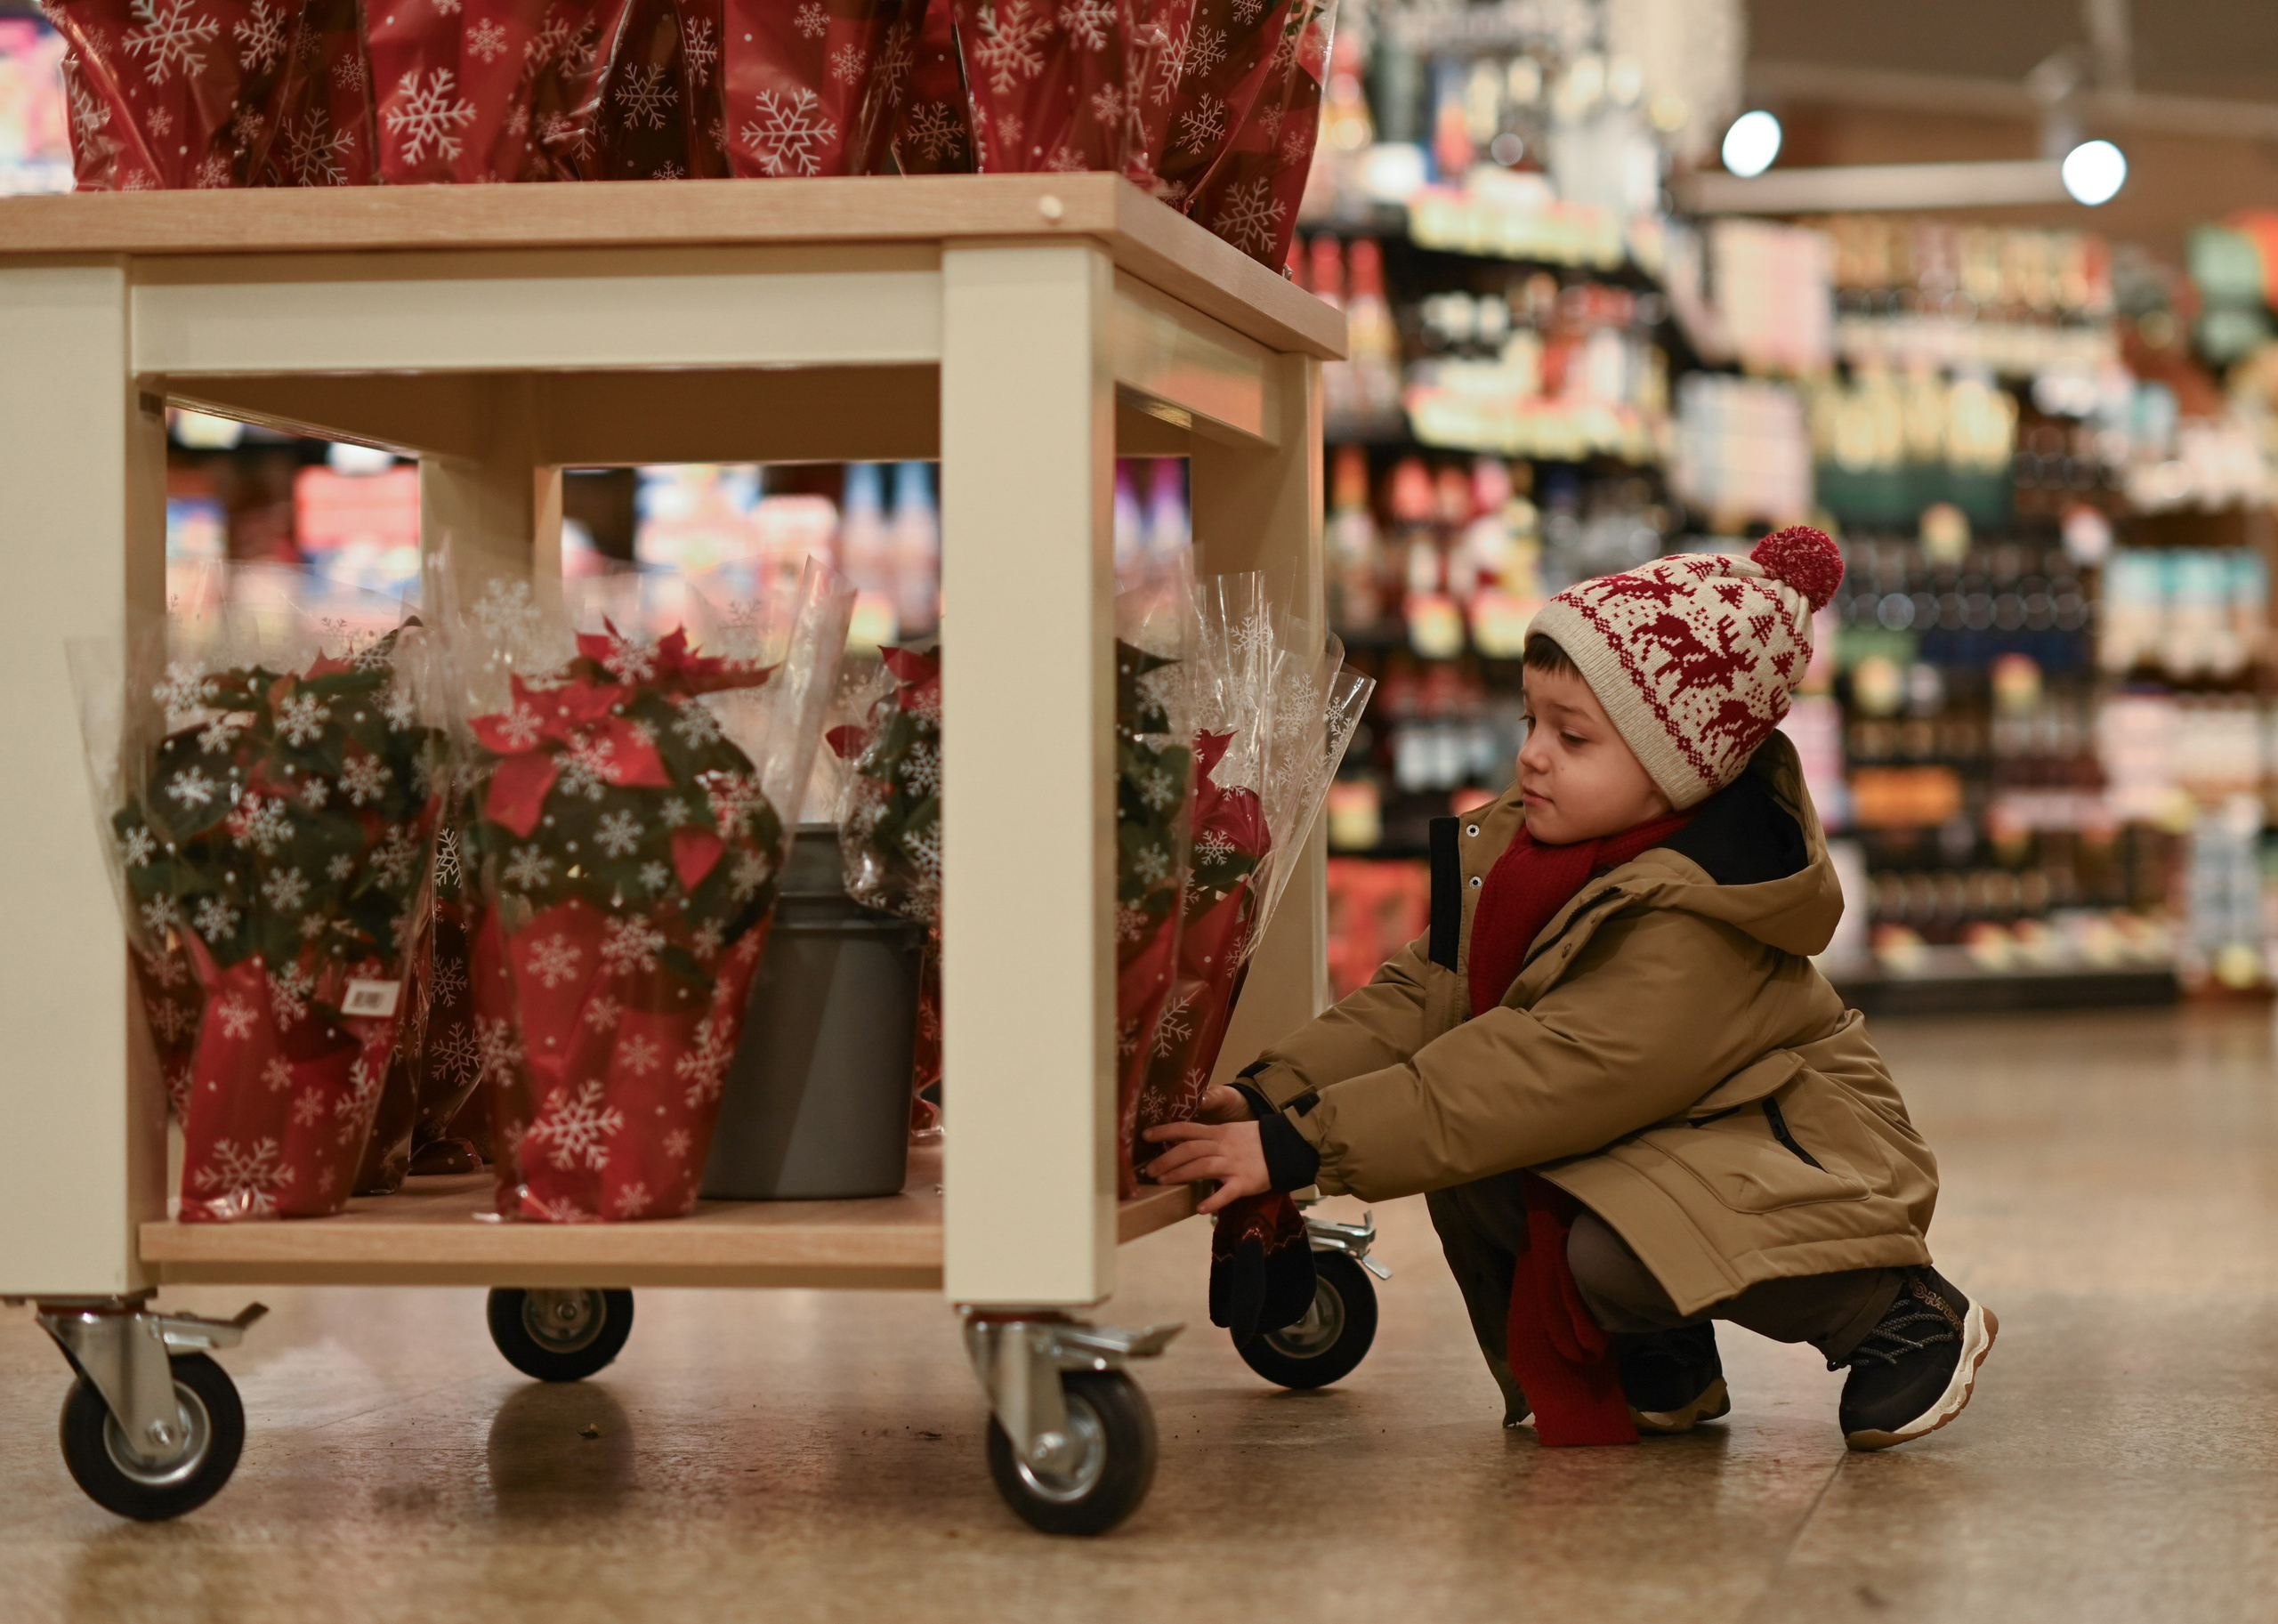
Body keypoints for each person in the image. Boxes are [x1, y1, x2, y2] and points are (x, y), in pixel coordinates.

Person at [1144, 528, 1994, 1451]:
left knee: (1597, 1234)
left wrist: (1299, 1146)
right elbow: (1423, 995)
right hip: (1678, 1132)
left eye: (1573, 736)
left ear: (1681, 768)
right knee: (1487, 1168)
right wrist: (1269, 1094)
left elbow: (1539, 1072)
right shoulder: (1533, 855)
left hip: (1802, 1156)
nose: (1533, 757)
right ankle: (1659, 1355)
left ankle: (1890, 1309)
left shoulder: (1696, 913)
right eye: (1531, 723)